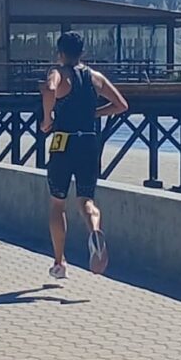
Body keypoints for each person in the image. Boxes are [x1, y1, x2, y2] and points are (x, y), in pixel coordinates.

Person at [40, 31, 128, 279]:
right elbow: (121, 105)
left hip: (63, 141)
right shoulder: (95, 77)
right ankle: (95, 231)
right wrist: (94, 113)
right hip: (89, 141)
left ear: (60, 53)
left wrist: (47, 119)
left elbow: (49, 89)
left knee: (58, 202)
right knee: (86, 200)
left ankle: (59, 262)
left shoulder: (58, 72)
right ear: (82, 52)